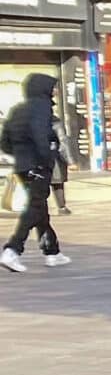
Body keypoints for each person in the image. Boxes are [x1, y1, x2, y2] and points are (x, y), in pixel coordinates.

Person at [1, 73, 68, 271]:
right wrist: (46, 157)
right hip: (38, 166)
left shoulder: (17, 110)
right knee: (33, 209)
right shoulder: (42, 108)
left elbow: (4, 142)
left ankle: (52, 251)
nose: (55, 91)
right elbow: (40, 135)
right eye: (53, 87)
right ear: (43, 89)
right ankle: (12, 249)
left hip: (22, 166)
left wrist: (21, 155)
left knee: (39, 208)